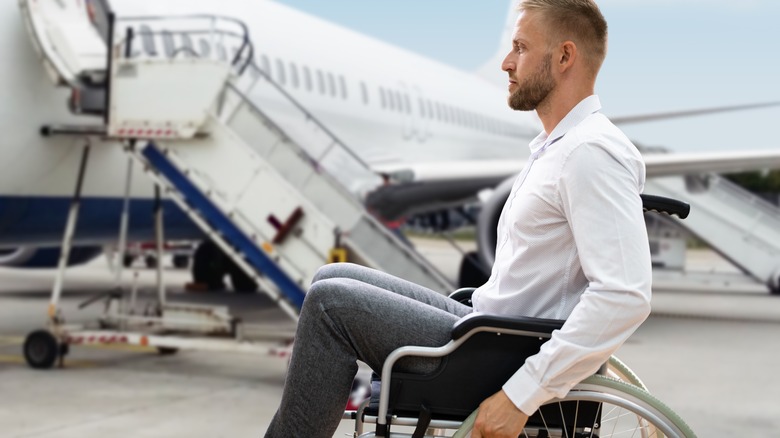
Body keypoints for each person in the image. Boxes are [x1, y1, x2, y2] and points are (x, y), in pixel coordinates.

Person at [264, 0, 651, 437]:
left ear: (564, 56)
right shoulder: (558, 147)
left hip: (501, 354)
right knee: (329, 276)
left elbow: (625, 294)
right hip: (489, 330)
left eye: (521, 48)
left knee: (330, 306)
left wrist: (521, 394)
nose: (507, 62)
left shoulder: (589, 153)